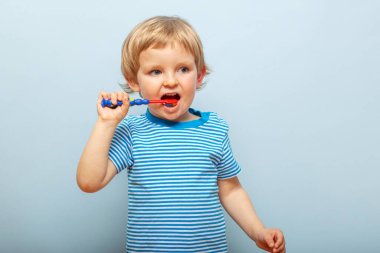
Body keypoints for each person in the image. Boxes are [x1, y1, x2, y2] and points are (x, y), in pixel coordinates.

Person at [77, 16, 286, 253]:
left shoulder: (215, 130)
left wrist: (258, 231)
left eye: (183, 69)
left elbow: (231, 189)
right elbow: (89, 182)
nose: (170, 81)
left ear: (199, 76)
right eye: (155, 71)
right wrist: (106, 123)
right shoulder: (132, 131)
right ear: (134, 81)